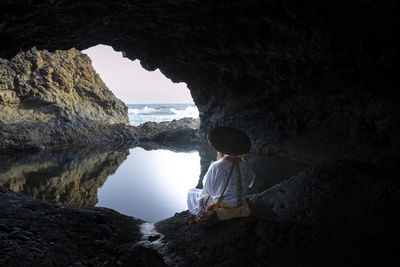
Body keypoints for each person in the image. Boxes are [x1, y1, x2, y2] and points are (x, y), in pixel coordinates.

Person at [187, 126, 256, 221]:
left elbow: (208, 188)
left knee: (191, 193)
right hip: (241, 207)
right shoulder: (245, 165)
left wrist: (213, 168)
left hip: (222, 209)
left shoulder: (216, 166)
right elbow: (250, 183)